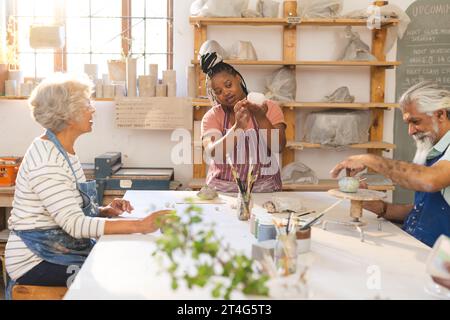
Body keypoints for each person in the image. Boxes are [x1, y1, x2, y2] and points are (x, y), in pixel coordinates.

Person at [5, 73, 171, 298]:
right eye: (86, 104)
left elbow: (65, 210)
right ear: (67, 114)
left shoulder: (63, 150)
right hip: (35, 260)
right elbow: (74, 224)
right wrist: (141, 224)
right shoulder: (46, 160)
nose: (92, 110)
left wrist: (104, 211)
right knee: (120, 274)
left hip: (57, 248)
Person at [330, 81, 450, 247]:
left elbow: (430, 180)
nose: (411, 131)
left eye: (415, 121)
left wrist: (370, 160)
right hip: (422, 247)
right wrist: (381, 208)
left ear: (441, 115)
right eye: (408, 123)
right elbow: (427, 209)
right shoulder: (435, 150)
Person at [200, 52, 287, 192]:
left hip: (263, 189)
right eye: (218, 91)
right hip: (223, 190)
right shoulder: (212, 116)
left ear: (238, 79)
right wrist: (238, 127)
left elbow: (279, 146)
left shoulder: (268, 107)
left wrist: (261, 117)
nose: (226, 92)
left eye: (228, 85)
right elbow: (213, 154)